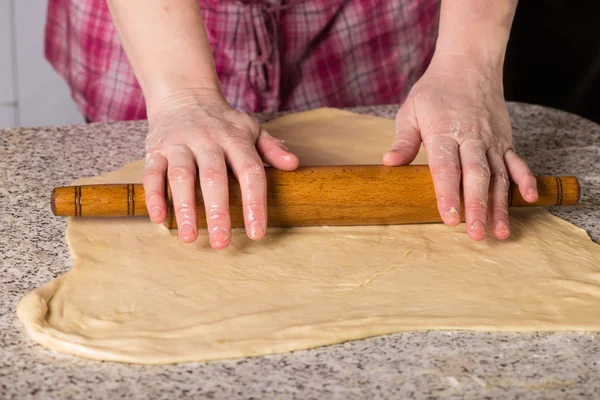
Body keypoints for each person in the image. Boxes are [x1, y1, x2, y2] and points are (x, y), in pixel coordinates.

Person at [45, 0, 538, 249]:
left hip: (364, 20)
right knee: (175, 172)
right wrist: (181, 95)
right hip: (156, 24)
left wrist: (465, 65)